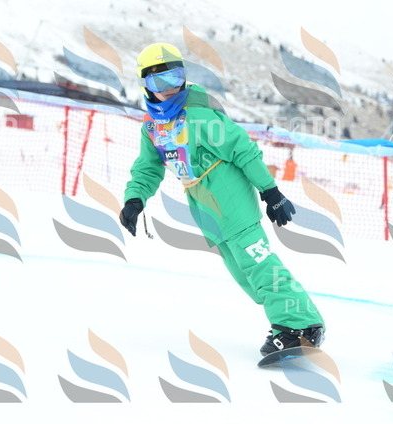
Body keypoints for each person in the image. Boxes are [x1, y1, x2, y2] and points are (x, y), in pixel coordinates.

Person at [119, 42, 324, 357]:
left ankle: (299, 326)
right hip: (207, 210)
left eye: (175, 77)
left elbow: (242, 148)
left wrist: (269, 191)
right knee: (246, 275)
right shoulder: (153, 128)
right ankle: (290, 323)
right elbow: (147, 169)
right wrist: (135, 199)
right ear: (145, 85)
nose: (170, 88)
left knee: (260, 266)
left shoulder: (199, 115)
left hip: (232, 201)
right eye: (159, 82)